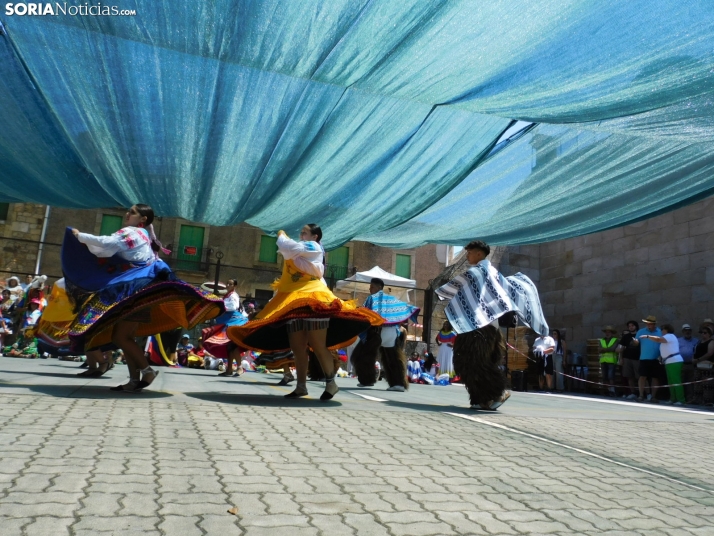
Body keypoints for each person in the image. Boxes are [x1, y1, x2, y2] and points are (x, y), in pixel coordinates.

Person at [64, 204, 224, 392]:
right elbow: (106, 251)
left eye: (132, 212)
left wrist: (79, 236)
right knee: (125, 336)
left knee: (121, 336)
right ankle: (134, 380)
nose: (127, 214)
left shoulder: (132, 232)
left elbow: (108, 244)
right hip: (141, 291)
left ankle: (147, 371)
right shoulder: (142, 236)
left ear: (142, 220)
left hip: (136, 291)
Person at [228, 224, 383, 400]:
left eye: (305, 232)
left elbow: (287, 248)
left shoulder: (314, 247)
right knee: (297, 347)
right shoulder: (301, 250)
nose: (301, 234)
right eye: (301, 232)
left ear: (315, 236)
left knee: (317, 344)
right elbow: (288, 253)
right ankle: (301, 386)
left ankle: (331, 383)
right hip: (294, 301)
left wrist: (280, 234)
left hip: (314, 300)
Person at [436, 240, 548, 410]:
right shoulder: (494, 273)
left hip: (479, 327)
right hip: (487, 327)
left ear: (479, 254)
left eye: (470, 252)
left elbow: (456, 287)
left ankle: (498, 392)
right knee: (476, 362)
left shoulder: (477, 272)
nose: (467, 256)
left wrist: (443, 291)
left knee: (473, 362)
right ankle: (480, 399)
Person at [351, 277, 420, 391]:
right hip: (392, 333)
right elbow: (403, 308)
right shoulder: (392, 299)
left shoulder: (371, 298)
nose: (370, 289)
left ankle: (367, 380)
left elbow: (365, 313)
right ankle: (398, 384)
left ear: (379, 287)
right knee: (392, 358)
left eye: (372, 286)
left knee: (360, 355)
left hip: (376, 332)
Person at [203, 278, 249, 377]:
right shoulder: (227, 296)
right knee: (229, 346)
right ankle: (229, 369)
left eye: (230, 284)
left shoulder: (233, 295)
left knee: (233, 345)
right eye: (227, 283)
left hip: (235, 322)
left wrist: (221, 305)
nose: (228, 285)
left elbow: (234, 307)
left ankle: (240, 367)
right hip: (228, 322)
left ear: (234, 286)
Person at [645, 324, 686, 405]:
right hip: (669, 361)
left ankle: (681, 400)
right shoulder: (667, 338)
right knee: (671, 381)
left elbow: (658, 339)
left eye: (663, 329)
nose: (661, 331)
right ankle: (673, 398)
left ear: (667, 330)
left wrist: (647, 336)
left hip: (674, 361)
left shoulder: (670, 336)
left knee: (676, 381)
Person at [632, 315, 662, 402]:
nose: (648, 325)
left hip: (656, 358)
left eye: (650, 324)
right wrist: (635, 342)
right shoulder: (641, 331)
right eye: (647, 323)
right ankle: (641, 395)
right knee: (642, 377)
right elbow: (636, 343)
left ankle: (653, 396)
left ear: (654, 324)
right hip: (644, 358)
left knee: (655, 377)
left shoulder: (659, 332)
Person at [618, 321, 640, 400]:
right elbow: (620, 349)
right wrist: (621, 359)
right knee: (629, 376)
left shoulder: (640, 335)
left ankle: (644, 393)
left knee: (640, 377)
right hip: (627, 358)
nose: (631, 327)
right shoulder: (625, 337)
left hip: (638, 358)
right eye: (629, 326)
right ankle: (633, 392)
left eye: (632, 325)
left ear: (636, 326)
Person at [692, 326, 714, 404]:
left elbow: (709, 353)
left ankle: (707, 401)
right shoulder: (699, 342)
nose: (703, 334)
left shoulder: (711, 342)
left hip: (707, 366)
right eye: (702, 333)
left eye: (705, 333)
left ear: (709, 334)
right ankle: (697, 399)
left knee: (707, 385)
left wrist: (698, 359)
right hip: (698, 366)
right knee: (697, 383)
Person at [677, 324, 698, 403]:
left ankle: (690, 398)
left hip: (692, 365)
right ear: (683, 331)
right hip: (681, 364)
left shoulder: (696, 341)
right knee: (681, 381)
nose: (687, 332)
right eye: (685, 330)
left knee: (690, 382)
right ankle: (681, 398)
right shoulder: (678, 341)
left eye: (689, 330)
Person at [599, 326, 619, 397]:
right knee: (605, 377)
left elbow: (613, 349)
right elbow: (599, 349)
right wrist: (607, 349)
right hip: (603, 360)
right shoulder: (602, 340)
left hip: (611, 361)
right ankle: (607, 390)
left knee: (611, 377)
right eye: (606, 332)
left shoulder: (615, 340)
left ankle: (612, 391)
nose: (607, 333)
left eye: (609, 332)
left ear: (612, 333)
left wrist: (604, 349)